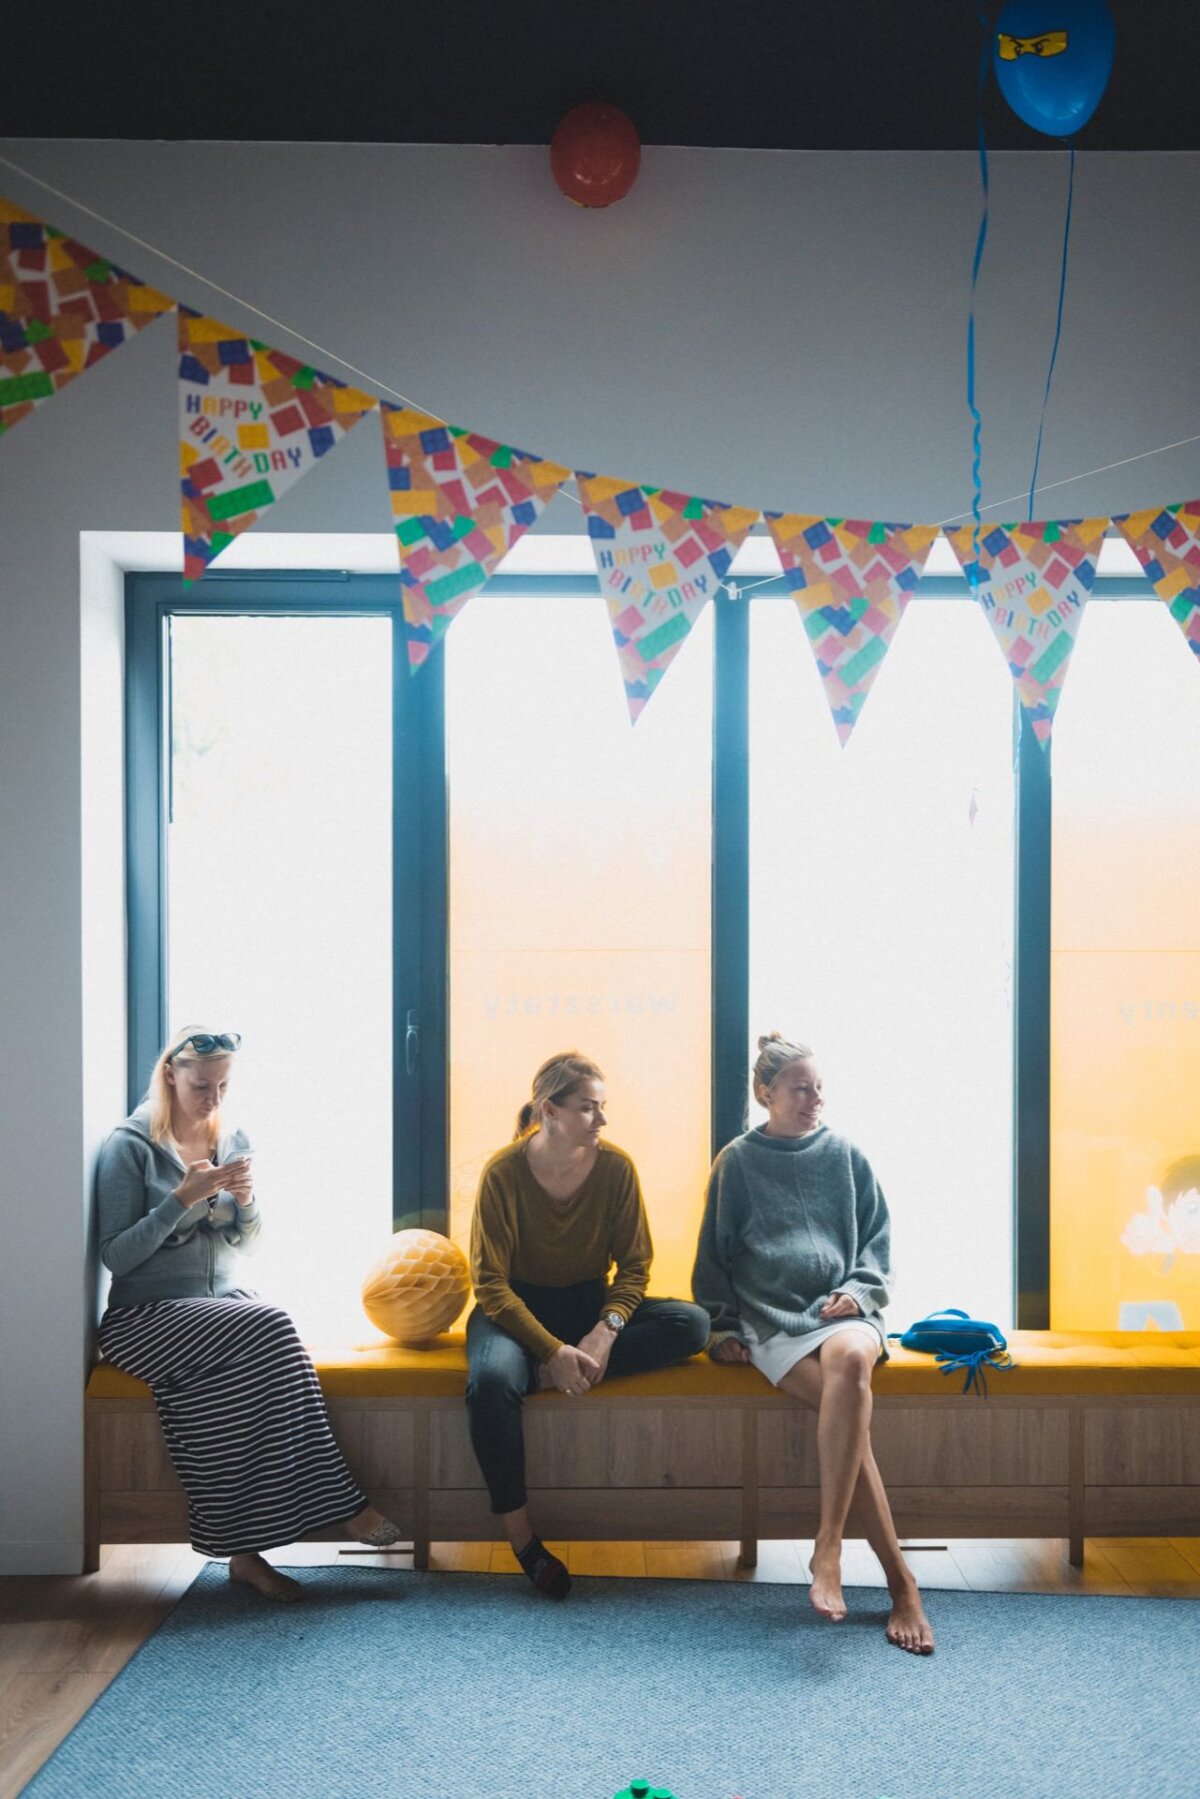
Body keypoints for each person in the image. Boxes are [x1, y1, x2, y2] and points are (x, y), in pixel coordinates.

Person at [96, 1027, 402, 1601]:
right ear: (170, 1074)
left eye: (224, 1086)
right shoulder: (129, 1146)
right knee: (275, 1323)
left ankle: (244, 1555)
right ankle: (347, 1505)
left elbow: (245, 1246)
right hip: (144, 1317)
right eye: (202, 1086)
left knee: (232, 1393)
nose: (213, 1099)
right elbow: (117, 1256)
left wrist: (249, 1202)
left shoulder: (230, 1136)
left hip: (214, 1312)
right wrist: (181, 1199)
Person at [692, 1032, 934, 1655]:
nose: (814, 1098)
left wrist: (859, 1292)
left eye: (819, 1087)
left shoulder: (845, 1155)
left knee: (853, 1359)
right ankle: (903, 1585)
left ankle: (827, 1545)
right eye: (801, 1088)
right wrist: (720, 1329)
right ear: (766, 1092)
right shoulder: (737, 1163)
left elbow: (878, 1245)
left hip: (842, 1314)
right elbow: (711, 1261)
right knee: (852, 1426)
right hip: (773, 1323)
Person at [466, 1051, 710, 1600]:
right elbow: (490, 1285)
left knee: (691, 1324)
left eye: (603, 1108)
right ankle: (525, 1542)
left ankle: (550, 1375)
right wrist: (550, 1348)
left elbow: (636, 1266)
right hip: (513, 1312)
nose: (601, 1120)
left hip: (586, 1305)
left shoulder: (616, 1168)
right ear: (549, 1110)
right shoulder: (502, 1173)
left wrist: (606, 1329)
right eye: (588, 1108)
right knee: (491, 1384)